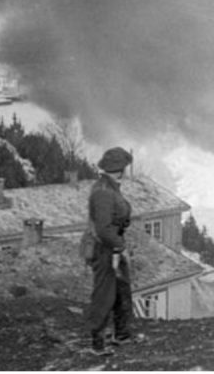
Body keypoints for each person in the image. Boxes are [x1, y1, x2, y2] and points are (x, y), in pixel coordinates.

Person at [85, 147, 134, 356]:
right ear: (120, 169)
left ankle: (121, 334)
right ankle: (97, 344)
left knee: (122, 290)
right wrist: (120, 247)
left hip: (113, 245)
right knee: (104, 294)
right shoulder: (104, 191)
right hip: (105, 248)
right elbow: (104, 229)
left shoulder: (109, 186)